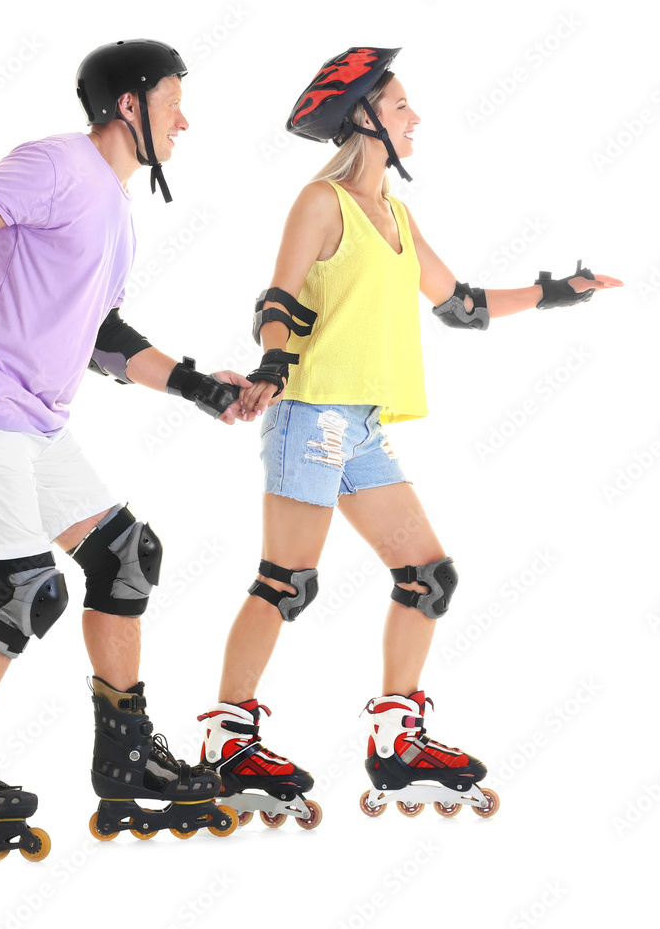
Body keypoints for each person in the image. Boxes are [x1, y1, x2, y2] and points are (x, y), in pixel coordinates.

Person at [196, 46, 622, 826]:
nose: (415, 118)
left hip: (360, 426)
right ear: (364, 119)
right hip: (313, 414)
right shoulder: (320, 202)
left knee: (428, 577)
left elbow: (460, 305)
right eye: (400, 108)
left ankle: (396, 741)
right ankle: (226, 741)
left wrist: (561, 291)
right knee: (286, 583)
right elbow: (279, 297)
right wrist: (269, 365)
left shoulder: (395, 213)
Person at [0, 39, 250, 860]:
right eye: (173, 103)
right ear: (130, 105)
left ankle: (125, 758)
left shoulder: (115, 208)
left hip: (33, 418)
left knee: (126, 557)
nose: (184, 120)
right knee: (26, 591)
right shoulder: (57, 163)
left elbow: (103, 337)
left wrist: (200, 386)